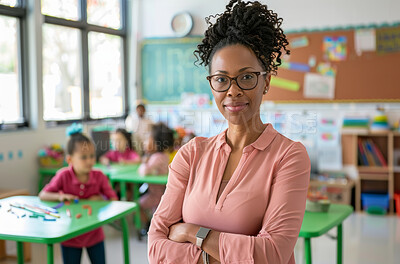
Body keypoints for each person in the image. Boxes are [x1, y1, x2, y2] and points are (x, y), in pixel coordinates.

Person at [148, 1, 310, 263]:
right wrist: (225, 254)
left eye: (246, 77)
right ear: (212, 84)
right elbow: (155, 248)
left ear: (266, 81)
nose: (233, 91)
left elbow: (273, 253)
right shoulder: (191, 154)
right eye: (221, 79)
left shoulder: (289, 156)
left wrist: (192, 233)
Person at [39, 128, 118, 264]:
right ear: (70, 159)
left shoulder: (99, 176)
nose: (89, 161)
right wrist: (60, 197)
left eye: (92, 156)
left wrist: (101, 199)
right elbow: (43, 194)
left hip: (95, 235)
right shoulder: (63, 175)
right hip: (69, 236)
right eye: (83, 157)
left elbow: (113, 199)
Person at [138, 122, 174, 234]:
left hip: (156, 195)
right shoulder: (164, 156)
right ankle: (151, 226)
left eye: (148, 138)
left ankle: (147, 226)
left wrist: (144, 162)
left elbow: (144, 172)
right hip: (161, 194)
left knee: (137, 205)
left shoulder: (156, 157)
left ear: (156, 143)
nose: (145, 141)